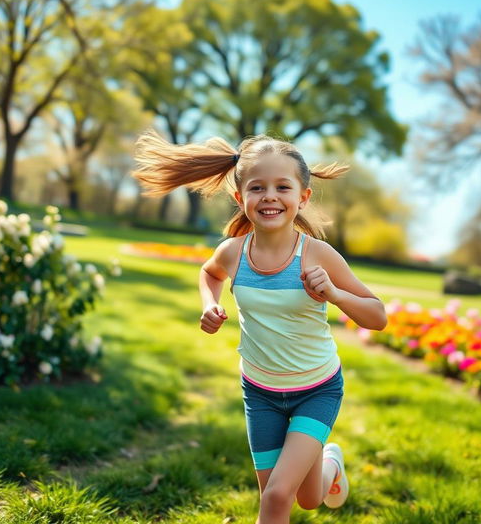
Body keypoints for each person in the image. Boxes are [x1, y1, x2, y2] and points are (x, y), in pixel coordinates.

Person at [132, 129, 387, 524]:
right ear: (240, 198)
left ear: (303, 196)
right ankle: (330, 465)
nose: (269, 196)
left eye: (282, 186)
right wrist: (210, 304)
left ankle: (325, 459)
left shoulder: (317, 254)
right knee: (307, 499)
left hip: (316, 390)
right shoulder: (233, 253)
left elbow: (378, 315)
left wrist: (335, 294)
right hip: (260, 394)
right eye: (257, 187)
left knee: (275, 498)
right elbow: (209, 273)